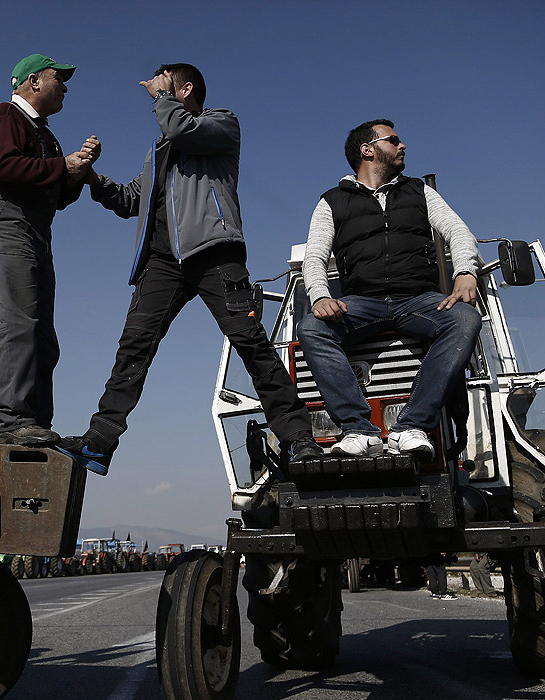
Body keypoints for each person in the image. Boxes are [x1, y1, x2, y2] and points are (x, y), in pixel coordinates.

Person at [56, 63, 321, 475]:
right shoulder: (160, 150)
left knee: (251, 344)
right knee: (133, 349)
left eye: (165, 85)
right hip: (162, 264)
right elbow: (131, 201)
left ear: (186, 89)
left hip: (215, 252)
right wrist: (92, 177)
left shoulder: (220, 123)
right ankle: (99, 442)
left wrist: (162, 99)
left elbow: (183, 130)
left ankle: (299, 439)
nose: (156, 93)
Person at [297, 120, 482, 459]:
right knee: (310, 327)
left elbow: (457, 231)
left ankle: (411, 426)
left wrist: (465, 272)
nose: (403, 146)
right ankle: (357, 429)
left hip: (418, 300)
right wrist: (320, 295)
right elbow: (315, 256)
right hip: (361, 303)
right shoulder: (332, 201)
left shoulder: (419, 191)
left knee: (465, 319)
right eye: (394, 140)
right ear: (368, 150)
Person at [0, 54, 100, 446]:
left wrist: (74, 174)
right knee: (19, 321)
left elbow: (58, 196)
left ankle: (35, 424)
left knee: (41, 332)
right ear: (32, 82)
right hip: (8, 222)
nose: (64, 86)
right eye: (57, 78)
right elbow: (3, 167)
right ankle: (13, 423)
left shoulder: (46, 133)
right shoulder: (5, 117)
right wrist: (62, 165)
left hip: (36, 230)